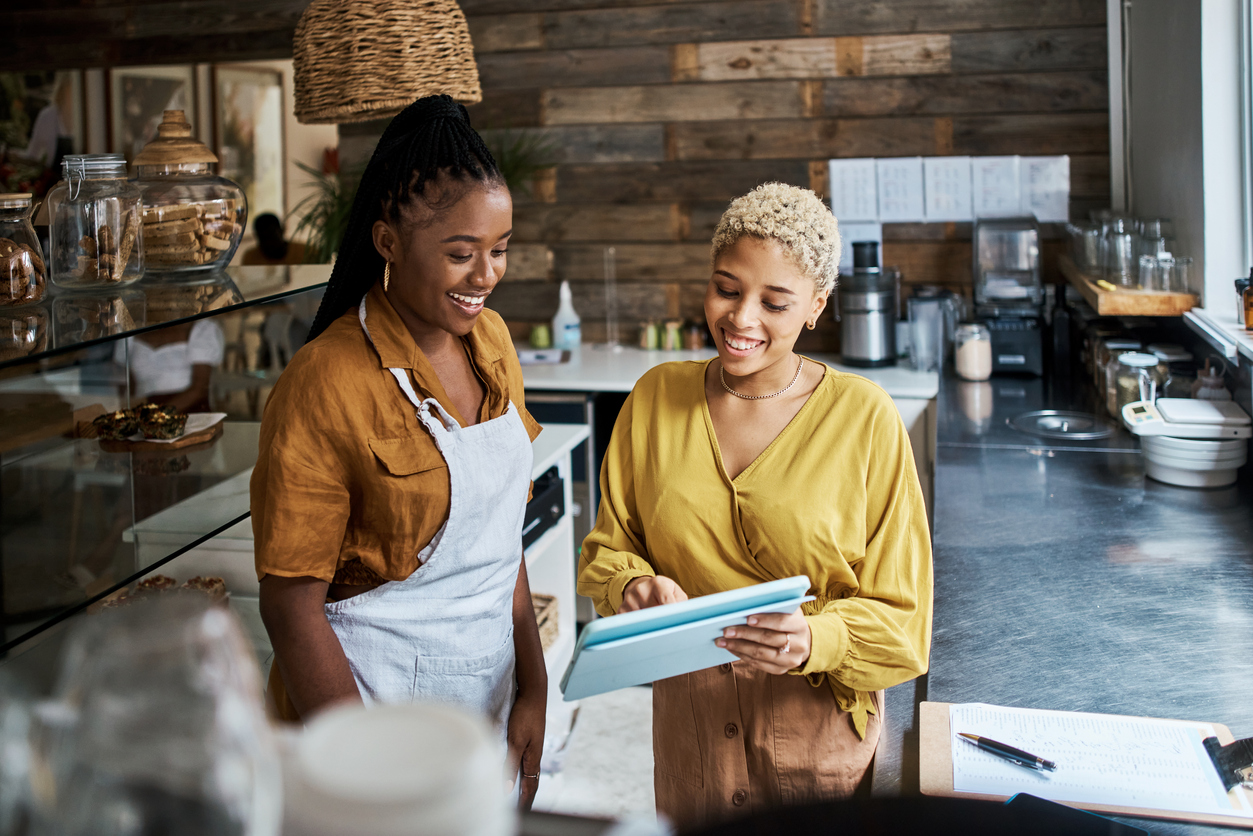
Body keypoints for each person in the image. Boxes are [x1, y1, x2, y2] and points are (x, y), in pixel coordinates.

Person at [578, 183, 933, 829]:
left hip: (813, 749)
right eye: (726, 288)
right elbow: (607, 549)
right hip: (690, 746)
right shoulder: (655, 396)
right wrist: (632, 586)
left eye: (774, 302)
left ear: (815, 308)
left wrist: (813, 639)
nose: (741, 318)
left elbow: (903, 627)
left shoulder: (863, 418)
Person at [250, 95, 547, 808]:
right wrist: (364, 775)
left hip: (488, 704)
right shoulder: (325, 381)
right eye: (459, 253)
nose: (486, 276)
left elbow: (498, 538)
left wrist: (534, 685)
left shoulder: (494, 343)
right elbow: (291, 606)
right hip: (371, 719)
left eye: (498, 250)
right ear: (387, 241)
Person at [241, 213, 307, 265]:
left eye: (271, 236)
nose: (268, 243)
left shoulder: (304, 252)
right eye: (263, 238)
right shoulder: (250, 258)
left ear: (282, 231)